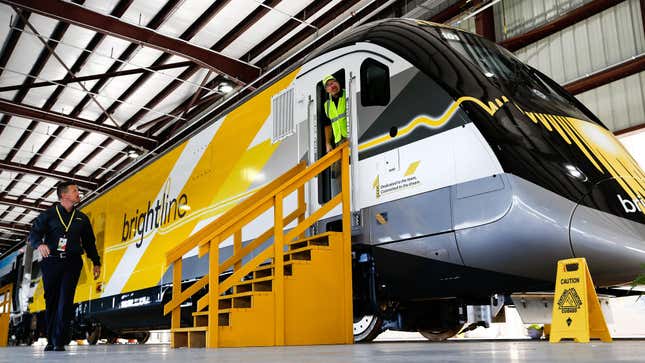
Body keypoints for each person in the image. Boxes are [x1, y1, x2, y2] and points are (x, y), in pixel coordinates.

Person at [29, 181, 101, 352]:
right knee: (52, 301)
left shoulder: (82, 218)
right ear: (64, 195)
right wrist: (39, 244)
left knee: (66, 301)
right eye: (75, 190)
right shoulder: (48, 215)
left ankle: (59, 341)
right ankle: (51, 340)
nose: (78, 193)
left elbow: (90, 243)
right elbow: (34, 233)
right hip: (52, 262)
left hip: (72, 262)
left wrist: (96, 262)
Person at [322, 74, 348, 153]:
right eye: (329, 85)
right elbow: (327, 126)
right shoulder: (327, 105)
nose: (332, 85)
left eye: (333, 82)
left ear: (338, 83)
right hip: (338, 141)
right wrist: (328, 143)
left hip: (351, 136)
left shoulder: (348, 94)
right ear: (327, 90)